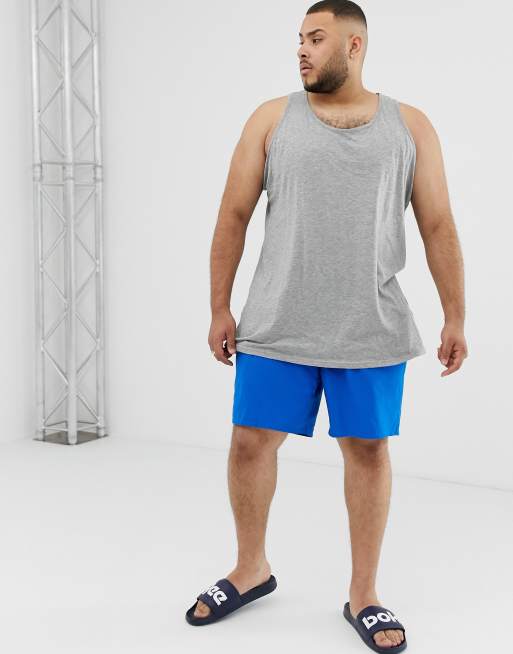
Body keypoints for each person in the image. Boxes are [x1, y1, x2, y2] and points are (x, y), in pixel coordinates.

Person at [187, 1, 468, 650]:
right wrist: (219, 306)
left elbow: (437, 225)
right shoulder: (270, 119)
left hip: (369, 326)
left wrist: (455, 313)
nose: (302, 50)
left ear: (354, 45)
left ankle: (364, 594)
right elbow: (232, 215)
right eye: (299, 39)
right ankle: (250, 569)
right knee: (249, 443)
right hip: (276, 322)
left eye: (316, 38)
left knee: (367, 451)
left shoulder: (410, 126)